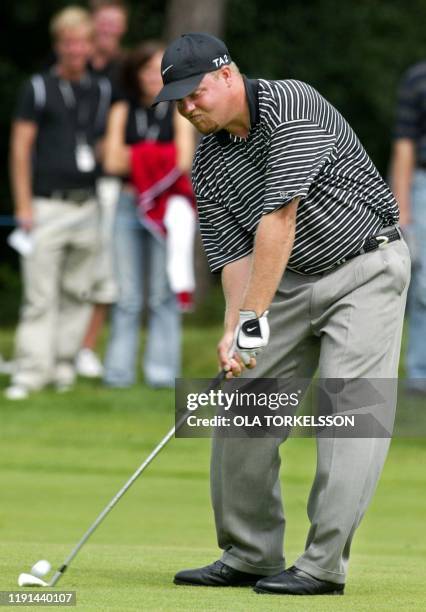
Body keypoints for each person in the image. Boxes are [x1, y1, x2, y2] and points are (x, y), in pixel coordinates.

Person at [153, 33, 411, 595]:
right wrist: (233, 332)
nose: (187, 108)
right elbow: (233, 255)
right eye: (177, 101)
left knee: (350, 417)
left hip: (366, 267)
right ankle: (250, 552)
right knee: (243, 408)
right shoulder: (211, 160)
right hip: (286, 282)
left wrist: (253, 318)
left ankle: (322, 567)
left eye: (194, 93)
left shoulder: (292, 104)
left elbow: (278, 219)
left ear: (227, 75)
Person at [4, 7, 111, 400]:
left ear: (89, 45)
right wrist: (23, 205)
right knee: (40, 295)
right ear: (58, 45)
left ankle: (63, 366)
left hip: (88, 204)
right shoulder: (38, 87)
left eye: (82, 41)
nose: (75, 49)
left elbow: (102, 142)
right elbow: (20, 149)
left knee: (77, 291)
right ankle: (31, 372)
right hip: (46, 205)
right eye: (68, 42)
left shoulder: (99, 88)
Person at [102, 41, 195, 389]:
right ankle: (118, 375)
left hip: (169, 210)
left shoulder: (178, 110)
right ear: (135, 73)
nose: (150, 77)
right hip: (128, 206)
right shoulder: (122, 110)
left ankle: (161, 375)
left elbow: (183, 160)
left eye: (157, 71)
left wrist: (136, 156)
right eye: (145, 69)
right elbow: (110, 161)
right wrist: (159, 156)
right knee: (127, 296)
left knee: (162, 293)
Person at [75, 0, 129, 379]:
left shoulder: (124, 70)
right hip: (65, 183)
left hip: (109, 183)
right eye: (102, 23)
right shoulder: (65, 62)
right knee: (66, 270)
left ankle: (86, 348)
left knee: (104, 270)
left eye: (115, 24)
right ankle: (59, 348)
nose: (108, 30)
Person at [390, 61, 426, 394]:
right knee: (423, 288)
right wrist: (402, 214)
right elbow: (404, 145)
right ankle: (419, 378)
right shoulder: (418, 79)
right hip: (423, 185)